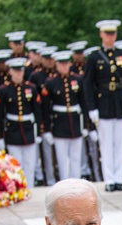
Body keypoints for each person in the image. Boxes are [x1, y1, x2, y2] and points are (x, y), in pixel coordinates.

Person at [84, 20, 122, 192]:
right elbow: (87, 85)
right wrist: (91, 108)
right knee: (106, 144)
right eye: (107, 34)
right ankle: (109, 179)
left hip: (120, 104)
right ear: (101, 35)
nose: (110, 37)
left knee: (121, 144)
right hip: (103, 104)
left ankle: (119, 178)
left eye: (113, 34)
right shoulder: (94, 57)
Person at [41, 51, 89, 182]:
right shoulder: (51, 82)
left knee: (75, 157)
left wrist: (85, 125)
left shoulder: (77, 79)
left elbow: (83, 104)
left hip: (75, 121)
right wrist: (46, 129)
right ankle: (65, 183)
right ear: (56, 65)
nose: (64, 67)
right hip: (59, 124)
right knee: (62, 159)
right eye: (61, 64)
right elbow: (46, 108)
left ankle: (77, 183)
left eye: (66, 63)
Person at [0, 58, 43, 186]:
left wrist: (38, 132)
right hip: (13, 130)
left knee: (30, 164)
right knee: (16, 164)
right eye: (15, 71)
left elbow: (37, 112)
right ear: (10, 71)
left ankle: (30, 187)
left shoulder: (30, 88)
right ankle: (19, 189)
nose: (18, 74)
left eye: (20, 71)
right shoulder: (4, 90)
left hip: (28, 129)